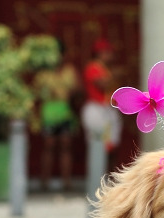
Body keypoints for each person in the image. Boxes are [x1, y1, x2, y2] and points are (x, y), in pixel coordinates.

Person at [34, 52, 79, 192]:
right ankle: (44, 181)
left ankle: (67, 181)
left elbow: (77, 90)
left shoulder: (69, 71)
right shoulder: (43, 74)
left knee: (66, 146)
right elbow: (36, 92)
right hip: (48, 112)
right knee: (49, 146)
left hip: (64, 111)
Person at [81, 38, 119, 161]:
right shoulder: (93, 67)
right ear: (100, 53)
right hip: (96, 109)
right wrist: (115, 76)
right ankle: (97, 177)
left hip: (107, 109)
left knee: (110, 146)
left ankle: (107, 177)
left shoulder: (105, 68)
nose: (111, 55)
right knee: (98, 145)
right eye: (107, 52)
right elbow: (102, 84)